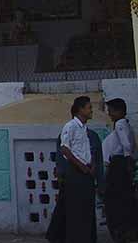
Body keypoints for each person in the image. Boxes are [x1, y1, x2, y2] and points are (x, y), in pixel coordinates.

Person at [47, 96, 101, 243]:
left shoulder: (84, 129)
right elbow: (65, 149)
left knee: (86, 210)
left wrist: (92, 165)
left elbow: (86, 151)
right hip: (76, 174)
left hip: (86, 173)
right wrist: (82, 167)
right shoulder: (70, 126)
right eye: (89, 107)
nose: (91, 110)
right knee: (76, 211)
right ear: (80, 109)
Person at [102, 98, 137, 243]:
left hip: (118, 165)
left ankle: (122, 231)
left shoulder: (120, 125)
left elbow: (126, 144)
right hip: (119, 164)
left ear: (120, 111)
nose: (109, 114)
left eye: (111, 111)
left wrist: (127, 159)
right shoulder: (124, 125)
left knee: (116, 199)